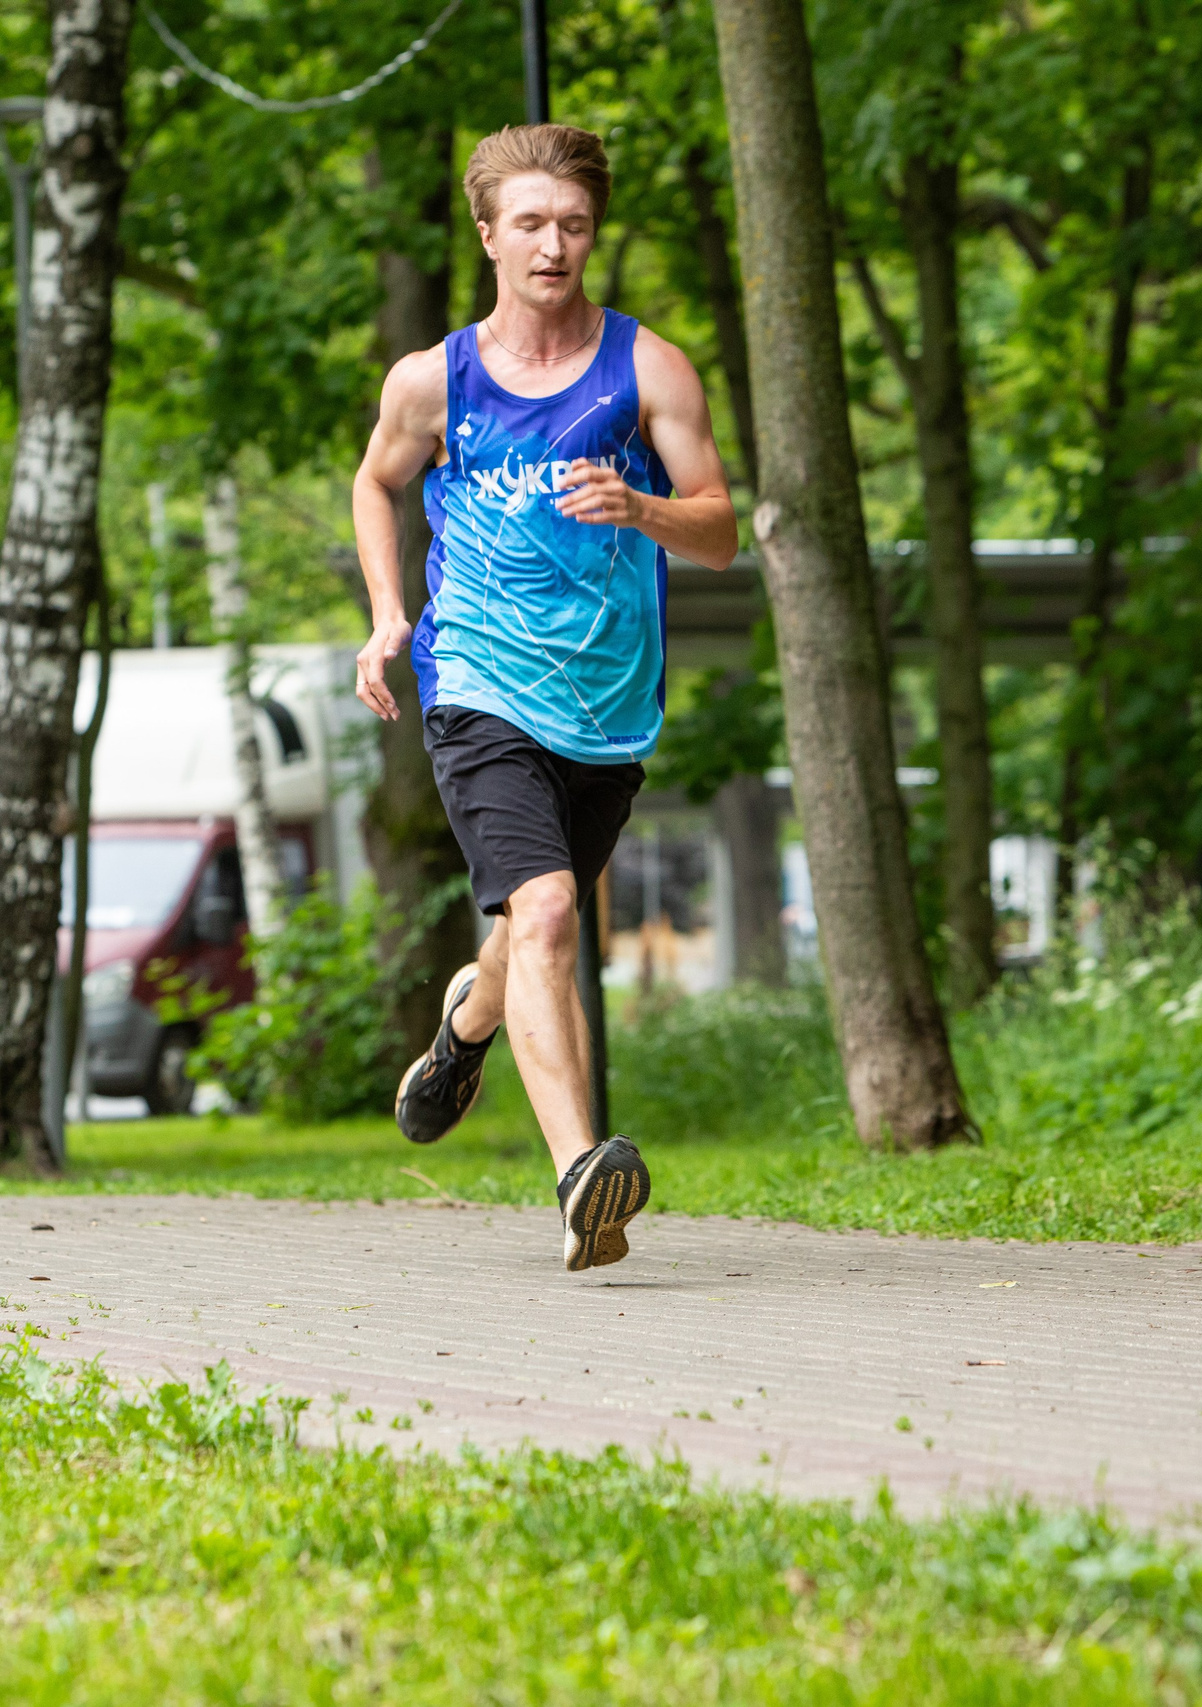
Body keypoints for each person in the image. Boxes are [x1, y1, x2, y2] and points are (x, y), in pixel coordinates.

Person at [350, 123, 738, 1271]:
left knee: (529, 927)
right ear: (488, 235)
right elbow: (376, 484)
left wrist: (645, 510)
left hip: (609, 702)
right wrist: (388, 615)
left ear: (590, 234)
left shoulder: (648, 369)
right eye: (528, 222)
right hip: (474, 677)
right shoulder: (435, 380)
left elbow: (716, 527)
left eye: (571, 223)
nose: (552, 245)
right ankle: (582, 1177)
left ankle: (466, 1027)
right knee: (554, 911)